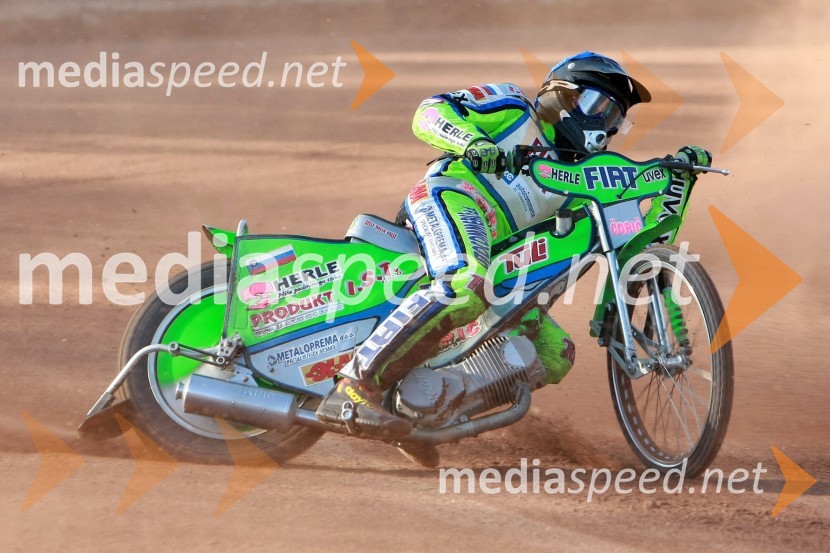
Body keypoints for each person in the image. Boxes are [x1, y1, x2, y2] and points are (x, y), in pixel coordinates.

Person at [316, 51, 712, 437]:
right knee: (465, 284)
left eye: (616, 119)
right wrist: (472, 142)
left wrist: (676, 182)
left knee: (555, 354)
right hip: (454, 198)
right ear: (563, 94)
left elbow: (638, 249)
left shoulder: (583, 179)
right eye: (600, 106)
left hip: (502, 260)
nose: (607, 127)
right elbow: (430, 111)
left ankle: (424, 412)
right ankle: (355, 385)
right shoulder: (513, 108)